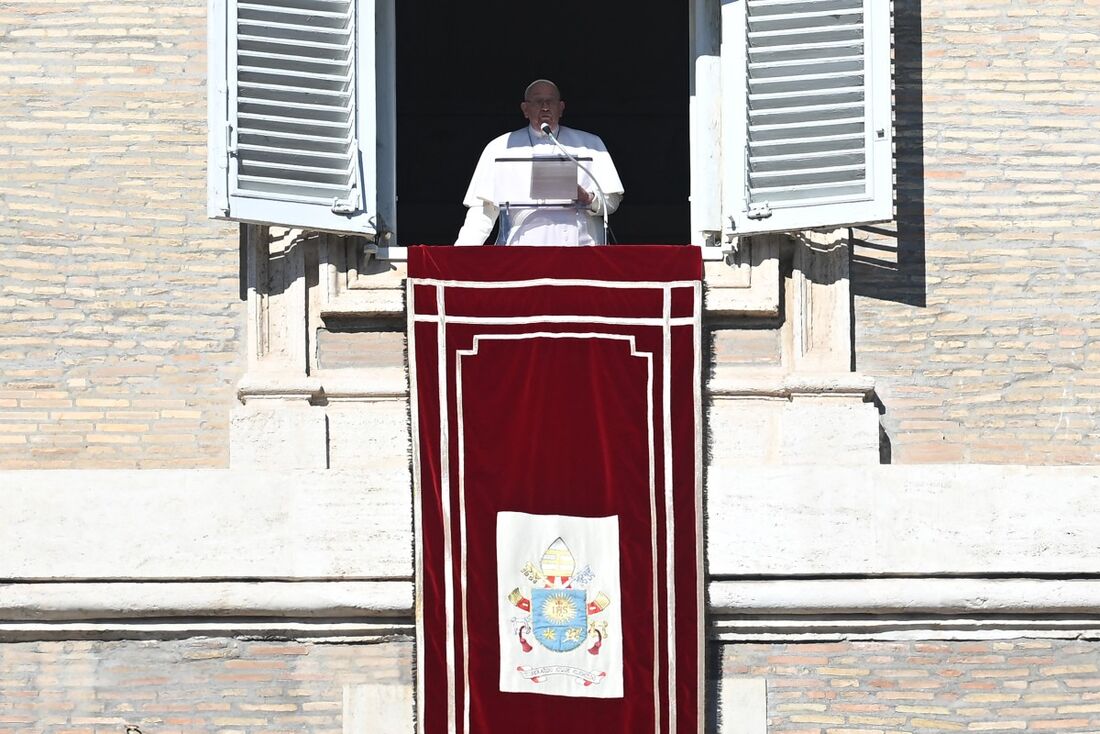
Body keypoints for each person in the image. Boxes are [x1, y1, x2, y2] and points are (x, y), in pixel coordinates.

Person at [455, 79, 624, 246]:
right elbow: (483, 211)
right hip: (522, 253)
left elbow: (612, 203)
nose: (545, 107)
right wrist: (461, 253)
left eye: (550, 101)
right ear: (525, 109)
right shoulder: (499, 148)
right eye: (537, 101)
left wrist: (588, 198)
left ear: (561, 108)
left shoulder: (590, 144)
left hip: (580, 249)